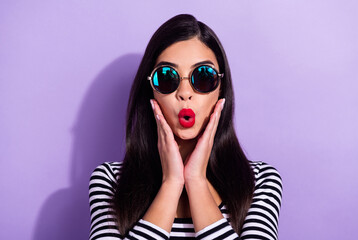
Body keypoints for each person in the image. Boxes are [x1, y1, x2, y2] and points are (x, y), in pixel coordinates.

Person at [89, 14, 282, 240]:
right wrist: (171, 183)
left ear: (221, 89)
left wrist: (196, 181)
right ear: (151, 90)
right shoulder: (111, 180)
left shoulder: (259, 181)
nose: (185, 93)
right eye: (167, 77)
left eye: (203, 77)